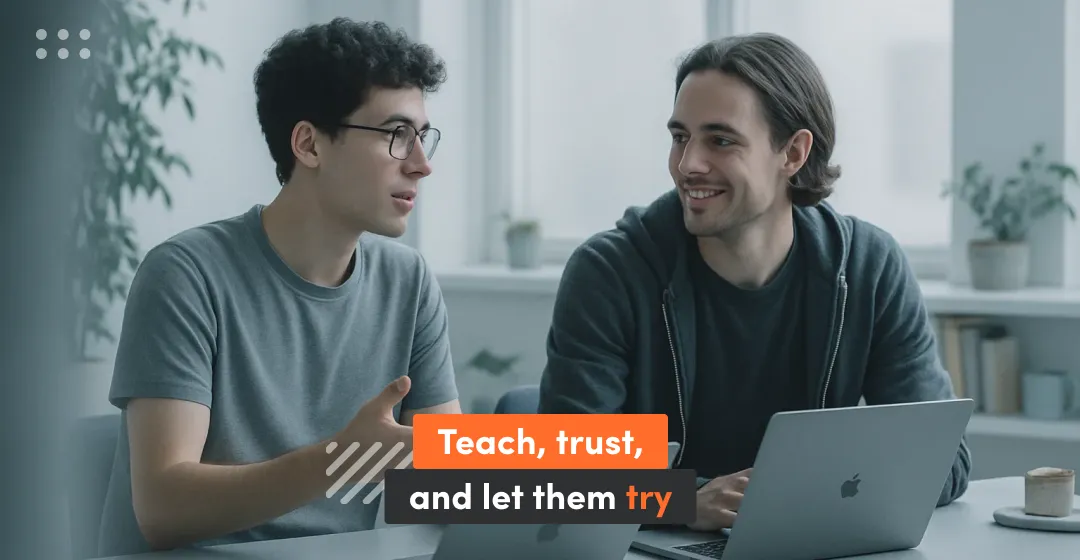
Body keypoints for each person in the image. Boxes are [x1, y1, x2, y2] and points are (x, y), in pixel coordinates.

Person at [537, 33, 971, 532]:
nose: (687, 164)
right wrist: (683, 502)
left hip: (804, 542)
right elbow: (565, 480)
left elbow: (946, 461)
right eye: (680, 137)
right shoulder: (609, 272)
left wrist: (776, 500)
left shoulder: (869, 267)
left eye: (720, 140)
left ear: (793, 153)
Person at [97, 19, 461, 556]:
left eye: (422, 136)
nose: (421, 164)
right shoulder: (185, 274)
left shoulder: (409, 282)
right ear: (309, 144)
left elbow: (440, 476)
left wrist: (592, 488)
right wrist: (344, 458)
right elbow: (163, 509)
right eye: (395, 135)